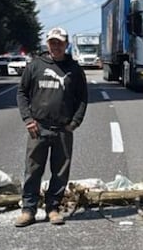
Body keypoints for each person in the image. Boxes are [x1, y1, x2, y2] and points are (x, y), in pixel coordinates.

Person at [15, 27, 88, 227]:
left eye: (60, 43)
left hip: (63, 129)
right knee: (32, 170)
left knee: (60, 172)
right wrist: (28, 119)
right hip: (38, 127)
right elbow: (22, 92)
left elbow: (82, 98)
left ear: (66, 45)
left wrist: (74, 123)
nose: (56, 46)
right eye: (52, 42)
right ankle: (28, 210)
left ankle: (53, 208)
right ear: (47, 44)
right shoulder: (36, 66)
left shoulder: (74, 69)